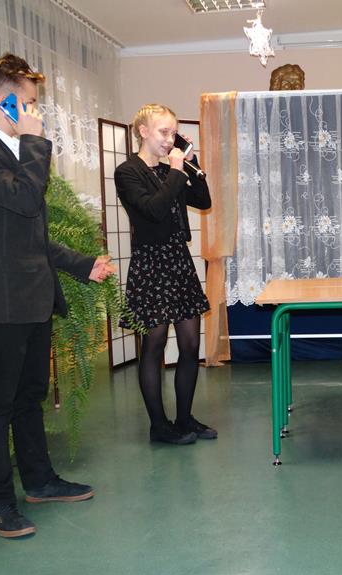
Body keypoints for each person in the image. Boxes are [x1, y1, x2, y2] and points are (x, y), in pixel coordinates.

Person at [0, 53, 116, 538]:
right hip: (1, 300)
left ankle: (40, 482)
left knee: (30, 397)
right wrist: (33, 141)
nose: (35, 110)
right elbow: (26, 201)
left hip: (32, 296)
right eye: (27, 102)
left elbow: (31, 233)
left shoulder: (14, 154)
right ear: (4, 102)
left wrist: (82, 264)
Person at [114, 104, 215, 445]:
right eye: (163, 132)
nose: (170, 139)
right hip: (150, 264)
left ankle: (185, 419)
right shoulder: (128, 172)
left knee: (190, 344)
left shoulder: (173, 169)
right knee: (154, 345)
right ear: (143, 131)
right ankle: (159, 426)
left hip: (178, 260)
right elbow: (154, 210)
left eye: (173, 133)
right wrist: (175, 169)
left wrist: (191, 163)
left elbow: (203, 200)